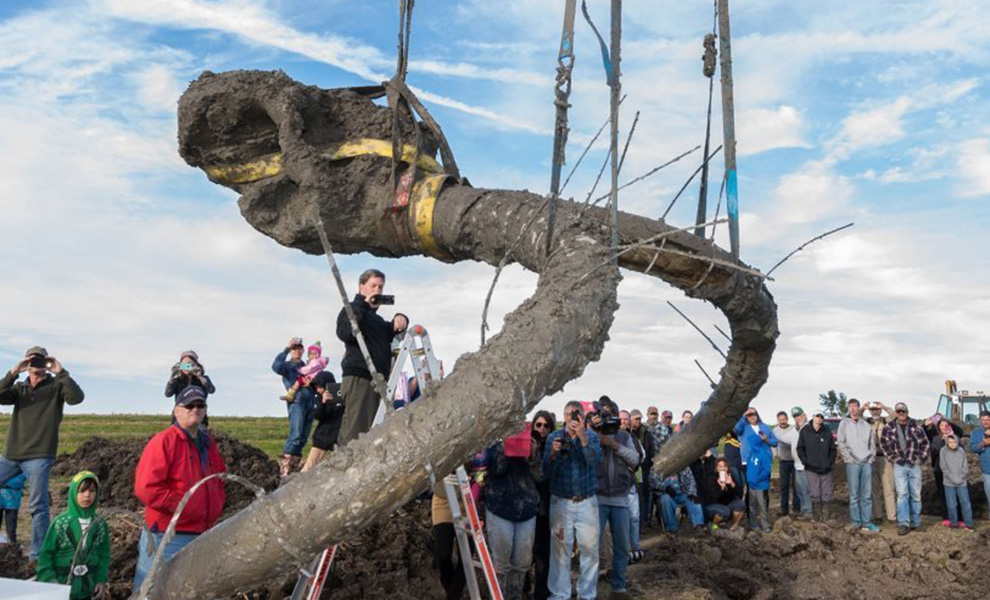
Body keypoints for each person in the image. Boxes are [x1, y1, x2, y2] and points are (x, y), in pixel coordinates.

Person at [133, 386, 226, 591]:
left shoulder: (208, 444)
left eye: (200, 404)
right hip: (167, 535)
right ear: (176, 411)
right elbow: (146, 487)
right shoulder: (164, 441)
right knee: (152, 591)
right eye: (189, 405)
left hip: (202, 533)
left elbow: (219, 479)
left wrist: (215, 504)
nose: (195, 409)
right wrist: (183, 507)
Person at [0, 346, 85, 560]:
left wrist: (61, 371)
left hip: (39, 455)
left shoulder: (56, 387)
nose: (37, 366)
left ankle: (37, 556)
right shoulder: (19, 389)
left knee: (38, 506)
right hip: (11, 454)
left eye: (41, 361)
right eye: (32, 361)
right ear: (27, 364)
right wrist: (13, 371)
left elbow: (77, 398)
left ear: (47, 364)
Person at [336, 269, 409, 445]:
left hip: (378, 380)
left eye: (381, 287)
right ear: (362, 287)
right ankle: (346, 470)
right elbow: (344, 332)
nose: (377, 290)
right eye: (373, 286)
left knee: (371, 432)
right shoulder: (352, 308)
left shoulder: (375, 320)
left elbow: (388, 333)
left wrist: (401, 319)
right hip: (360, 377)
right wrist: (364, 305)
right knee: (356, 434)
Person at [544, 400, 602, 600]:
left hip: (587, 502)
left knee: (590, 551)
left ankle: (587, 595)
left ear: (583, 417)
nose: (572, 418)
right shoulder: (554, 437)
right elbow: (545, 472)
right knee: (560, 552)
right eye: (568, 414)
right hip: (561, 502)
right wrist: (553, 453)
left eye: (576, 414)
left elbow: (595, 461)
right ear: (563, 417)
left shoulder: (591, 436)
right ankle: (560, 595)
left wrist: (583, 437)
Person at [484, 432, 542, 600]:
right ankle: (498, 596)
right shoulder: (494, 441)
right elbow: (496, 470)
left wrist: (532, 455)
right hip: (500, 506)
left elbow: (539, 476)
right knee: (501, 563)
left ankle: (515, 596)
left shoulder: (531, 442)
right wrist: (505, 449)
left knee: (522, 562)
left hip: (527, 508)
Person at [37, 471, 110, 600]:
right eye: (81, 491)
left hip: (88, 589)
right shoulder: (61, 523)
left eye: (92, 491)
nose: (87, 495)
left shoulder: (99, 524)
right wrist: (49, 580)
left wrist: (100, 580)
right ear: (73, 492)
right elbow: (46, 554)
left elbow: (104, 555)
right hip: (61, 587)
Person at [591, 398, 639, 595]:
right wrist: (594, 436)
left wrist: (614, 445)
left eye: (611, 414)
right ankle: (590, 587)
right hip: (598, 499)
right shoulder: (593, 434)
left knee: (621, 546)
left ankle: (619, 586)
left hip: (620, 498)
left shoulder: (624, 436)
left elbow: (636, 459)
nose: (607, 419)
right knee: (592, 547)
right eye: (604, 414)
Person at [879, 402, 930, 535]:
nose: (901, 414)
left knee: (916, 495)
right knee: (902, 494)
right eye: (899, 412)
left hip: (914, 465)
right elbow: (884, 445)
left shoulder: (917, 427)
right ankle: (903, 523)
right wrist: (894, 458)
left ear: (907, 412)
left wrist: (920, 459)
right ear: (896, 413)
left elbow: (925, 444)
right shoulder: (889, 427)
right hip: (899, 465)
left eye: (904, 412)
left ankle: (915, 522)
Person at [272, 337, 318, 478]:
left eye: (299, 348)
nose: (297, 350)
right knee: (296, 434)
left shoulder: (307, 366)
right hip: (297, 402)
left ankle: (294, 466)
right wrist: (286, 349)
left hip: (310, 403)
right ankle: (284, 467)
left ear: (303, 350)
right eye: (294, 348)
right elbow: (275, 367)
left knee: (304, 436)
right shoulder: (287, 366)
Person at [837, 399, 879, 532]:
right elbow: (841, 442)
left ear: (859, 408)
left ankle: (866, 522)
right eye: (850, 407)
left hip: (866, 463)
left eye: (855, 406)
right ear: (848, 409)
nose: (853, 409)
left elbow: (872, 443)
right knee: (854, 495)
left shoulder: (866, 425)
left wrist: (871, 457)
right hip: (853, 464)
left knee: (866, 495)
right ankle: (856, 522)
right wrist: (848, 458)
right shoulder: (844, 424)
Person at [734, 408, 777, 532]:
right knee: (751, 493)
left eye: (753, 414)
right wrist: (743, 416)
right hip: (749, 462)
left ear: (757, 414)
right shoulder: (743, 427)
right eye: (749, 415)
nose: (751, 416)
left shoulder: (765, 427)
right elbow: (736, 430)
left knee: (763, 492)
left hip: (764, 462)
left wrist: (766, 440)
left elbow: (775, 442)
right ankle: (752, 520)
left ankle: (764, 518)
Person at [529, 411, 555, 600]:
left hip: (546, 507)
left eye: (546, 425)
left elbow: (545, 475)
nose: (542, 429)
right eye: (538, 425)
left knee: (542, 553)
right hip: (527, 505)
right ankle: (524, 586)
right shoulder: (527, 444)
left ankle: (541, 593)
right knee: (525, 554)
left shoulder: (553, 446)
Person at [301, 372, 345, 473]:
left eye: (320, 387)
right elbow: (318, 416)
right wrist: (323, 403)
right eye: (316, 388)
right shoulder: (318, 398)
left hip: (338, 439)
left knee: (339, 469)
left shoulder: (341, 394)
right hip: (321, 438)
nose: (318, 390)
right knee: (307, 469)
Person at [797, 412, 837, 522]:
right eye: (817, 416)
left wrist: (830, 463)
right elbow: (800, 448)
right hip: (811, 468)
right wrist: (806, 462)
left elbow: (832, 449)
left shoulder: (827, 430)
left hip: (826, 468)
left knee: (826, 493)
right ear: (813, 417)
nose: (819, 418)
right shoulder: (805, 431)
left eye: (821, 417)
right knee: (815, 493)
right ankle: (817, 517)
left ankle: (826, 517)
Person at [927, 416, 963, 524]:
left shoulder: (954, 437)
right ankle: (946, 517)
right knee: (943, 494)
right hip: (940, 470)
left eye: (946, 425)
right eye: (941, 425)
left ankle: (959, 517)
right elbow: (933, 453)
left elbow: (960, 432)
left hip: (954, 470)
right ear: (938, 427)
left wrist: (949, 422)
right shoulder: (936, 439)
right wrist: (941, 442)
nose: (944, 427)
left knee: (956, 493)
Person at [865, 402, 897, 523]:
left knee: (889, 487)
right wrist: (864, 408)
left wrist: (883, 406)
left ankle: (891, 516)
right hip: (871, 458)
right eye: (872, 409)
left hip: (885, 458)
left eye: (877, 409)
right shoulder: (866, 421)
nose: (875, 412)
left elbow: (894, 416)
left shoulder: (886, 421)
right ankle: (877, 515)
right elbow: (854, 416)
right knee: (874, 489)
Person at [939, 435, 974, 530]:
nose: (952, 444)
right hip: (949, 483)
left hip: (962, 483)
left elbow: (965, 466)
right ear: (946, 442)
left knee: (965, 503)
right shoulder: (943, 451)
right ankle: (953, 523)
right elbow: (943, 467)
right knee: (951, 504)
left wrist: (961, 477)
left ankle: (969, 524)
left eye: (954, 442)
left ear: (957, 442)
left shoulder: (961, 451)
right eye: (950, 442)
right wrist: (953, 479)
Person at [655, 467, 705, 533]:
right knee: (665, 499)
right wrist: (665, 488)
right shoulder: (661, 466)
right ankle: (672, 528)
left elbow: (691, 482)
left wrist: (692, 493)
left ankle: (698, 525)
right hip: (668, 494)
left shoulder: (685, 467)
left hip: (683, 493)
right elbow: (653, 482)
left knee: (694, 499)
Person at [702, 457, 745, 530]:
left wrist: (732, 484)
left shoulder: (730, 476)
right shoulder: (711, 478)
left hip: (727, 502)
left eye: (725, 466)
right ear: (716, 468)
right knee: (725, 511)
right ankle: (713, 525)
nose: (723, 468)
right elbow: (714, 497)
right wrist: (722, 487)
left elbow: (739, 494)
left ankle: (732, 527)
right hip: (713, 504)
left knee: (740, 505)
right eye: (720, 466)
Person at [773, 411, 800, 517]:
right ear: (778, 420)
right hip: (783, 461)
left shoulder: (793, 429)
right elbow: (773, 443)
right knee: (784, 486)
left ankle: (796, 508)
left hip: (794, 460)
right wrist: (775, 454)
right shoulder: (775, 430)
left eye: (784, 419)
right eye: (780, 420)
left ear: (787, 419)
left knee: (796, 486)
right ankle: (784, 509)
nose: (782, 422)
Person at [968, 410, 990, 520]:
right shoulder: (975, 433)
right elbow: (972, 448)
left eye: (987, 420)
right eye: (983, 420)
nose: (985, 422)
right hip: (987, 469)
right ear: (980, 421)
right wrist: (983, 443)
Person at [0, 472, 26, 544]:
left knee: (11, 526)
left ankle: (12, 545)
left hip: (13, 497)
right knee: (11, 525)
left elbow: (21, 478)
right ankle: (12, 543)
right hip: (11, 496)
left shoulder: (19, 466)